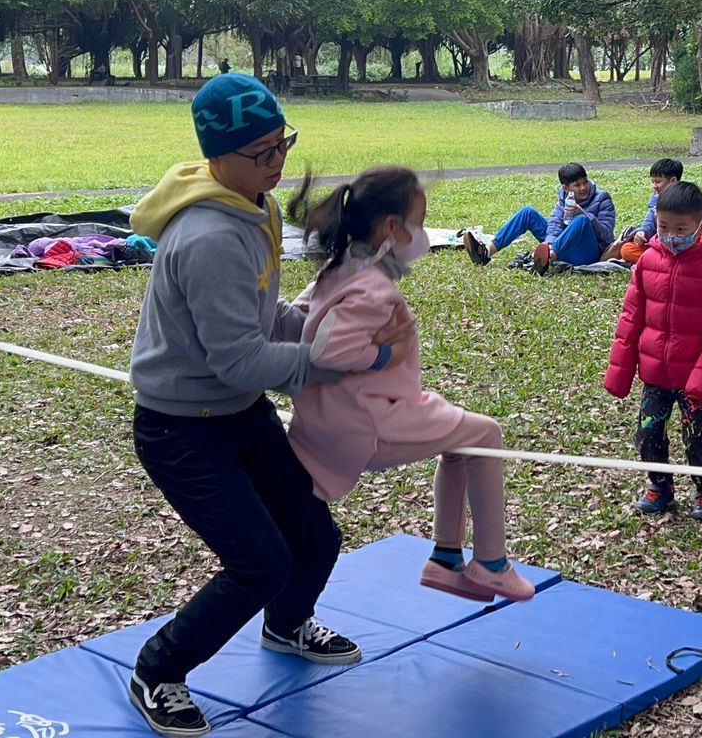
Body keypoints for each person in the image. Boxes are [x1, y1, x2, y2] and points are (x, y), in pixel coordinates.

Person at [123, 73, 389, 738]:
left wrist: (315, 324)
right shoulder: (210, 236)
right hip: (182, 430)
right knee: (259, 562)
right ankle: (157, 670)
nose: (280, 161)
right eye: (264, 151)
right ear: (220, 156)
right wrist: (333, 362)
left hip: (239, 414)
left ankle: (286, 624)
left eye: (283, 143)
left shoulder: (255, 205)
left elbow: (260, 312)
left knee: (315, 537)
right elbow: (237, 358)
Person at [286, 167, 536, 603]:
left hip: (345, 415)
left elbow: (300, 317)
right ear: (390, 227)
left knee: (462, 438)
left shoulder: (338, 269)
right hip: (371, 423)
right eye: (417, 223)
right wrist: (385, 355)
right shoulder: (373, 288)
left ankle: (445, 557)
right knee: (487, 434)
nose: (420, 234)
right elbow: (326, 351)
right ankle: (492, 563)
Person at [603, 181, 702, 520]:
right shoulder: (648, 261)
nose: (671, 235)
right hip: (654, 374)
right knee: (649, 432)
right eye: (664, 227)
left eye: (681, 229)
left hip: (694, 378)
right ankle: (659, 486)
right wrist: (620, 370)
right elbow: (631, 317)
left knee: (697, 436)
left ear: (701, 226)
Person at [457, 162, 617, 273]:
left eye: (585, 182)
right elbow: (554, 225)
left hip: (589, 254)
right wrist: (549, 244)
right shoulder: (563, 200)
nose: (583, 188)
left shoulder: (602, 198)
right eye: (577, 185)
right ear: (566, 188)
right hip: (563, 248)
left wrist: (586, 216)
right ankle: (486, 252)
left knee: (580, 221)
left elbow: (607, 235)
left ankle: (548, 258)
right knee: (528, 213)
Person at [616, 158, 686, 263]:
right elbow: (648, 223)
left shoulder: (688, 197)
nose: (654, 186)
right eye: (652, 181)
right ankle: (663, 262)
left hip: (683, 246)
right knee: (627, 250)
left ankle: (659, 262)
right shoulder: (655, 199)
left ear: (673, 181)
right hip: (658, 246)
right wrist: (642, 232)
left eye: (658, 181)